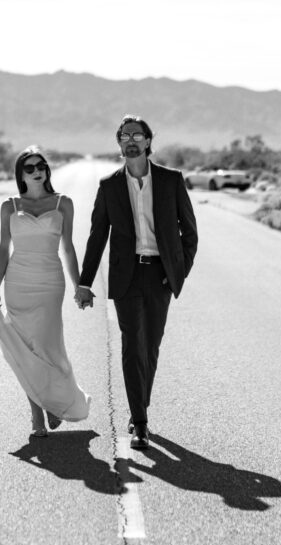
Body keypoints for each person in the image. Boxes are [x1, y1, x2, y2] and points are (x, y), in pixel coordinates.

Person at [75, 115, 198, 450]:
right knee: (132, 346)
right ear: (119, 142)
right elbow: (97, 236)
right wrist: (85, 283)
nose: (130, 140)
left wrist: (177, 271)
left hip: (159, 274)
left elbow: (190, 233)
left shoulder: (171, 180)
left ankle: (139, 406)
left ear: (147, 141)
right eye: (124, 135)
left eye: (137, 135)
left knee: (151, 347)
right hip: (126, 274)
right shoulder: (109, 186)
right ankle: (140, 422)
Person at [0, 146, 91, 438]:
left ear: (47, 170)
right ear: (20, 174)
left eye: (40, 166)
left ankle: (53, 402)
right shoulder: (9, 206)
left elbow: (68, 248)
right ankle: (37, 416)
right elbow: (2, 250)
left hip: (49, 283)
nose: (36, 171)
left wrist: (79, 285)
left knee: (48, 347)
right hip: (17, 283)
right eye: (29, 168)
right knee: (25, 350)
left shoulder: (63, 204)